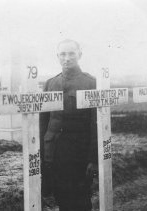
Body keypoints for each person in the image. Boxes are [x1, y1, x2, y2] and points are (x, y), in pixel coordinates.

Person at [40, 39, 98, 211]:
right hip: (55, 152)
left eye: (71, 53)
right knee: (61, 197)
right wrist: (43, 154)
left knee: (80, 199)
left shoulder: (91, 83)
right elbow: (44, 122)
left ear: (80, 54)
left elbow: (95, 124)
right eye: (62, 54)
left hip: (79, 154)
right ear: (57, 57)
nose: (67, 58)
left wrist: (93, 159)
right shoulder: (50, 84)